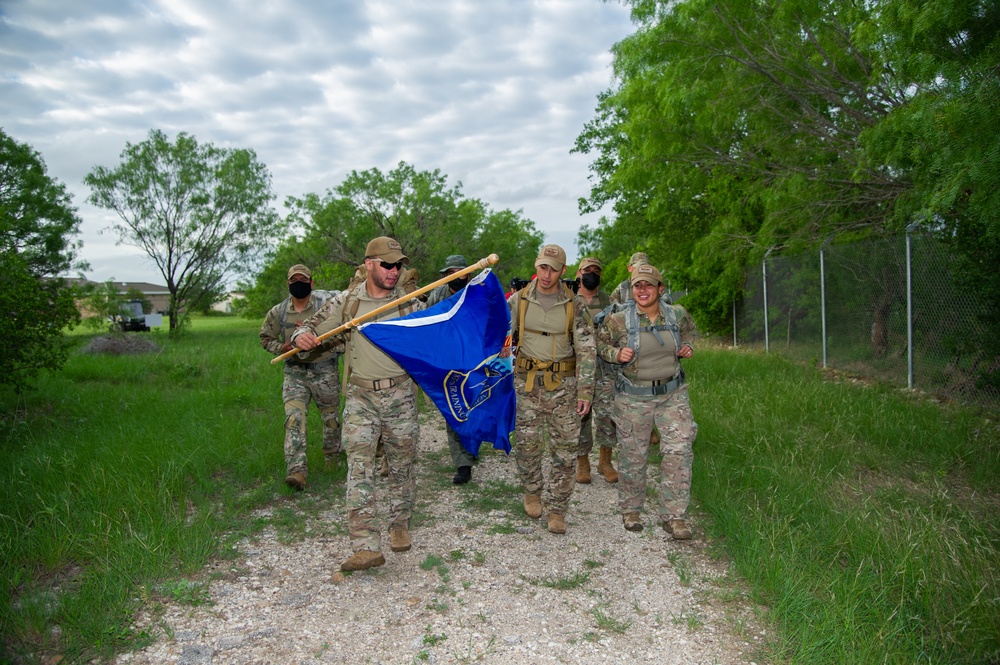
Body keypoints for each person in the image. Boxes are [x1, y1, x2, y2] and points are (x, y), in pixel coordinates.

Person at [292, 237, 424, 571]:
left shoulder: (410, 304)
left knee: (401, 464)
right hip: (361, 396)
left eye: (398, 265)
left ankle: (399, 523)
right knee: (360, 466)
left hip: (400, 396)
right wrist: (301, 338)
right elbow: (308, 327)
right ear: (369, 264)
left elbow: (439, 335)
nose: (394, 272)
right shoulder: (345, 303)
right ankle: (366, 543)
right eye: (387, 265)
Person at [597, 264, 698, 539]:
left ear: (660, 289)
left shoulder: (676, 314)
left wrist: (688, 346)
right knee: (633, 455)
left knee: (679, 452)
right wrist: (616, 354)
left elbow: (690, 332)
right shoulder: (619, 320)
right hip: (633, 396)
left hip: (672, 395)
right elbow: (600, 344)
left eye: (649, 285)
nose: (643, 290)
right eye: (638, 285)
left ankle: (675, 517)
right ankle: (631, 511)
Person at [508, 244, 596, 535]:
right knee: (528, 444)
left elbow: (586, 350)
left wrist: (585, 392)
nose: (547, 275)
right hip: (527, 384)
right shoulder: (518, 300)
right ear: (536, 265)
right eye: (543, 267)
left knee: (565, 451)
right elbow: (500, 338)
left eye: (553, 269)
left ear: (563, 271)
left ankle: (557, 508)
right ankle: (532, 491)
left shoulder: (575, 304)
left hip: (564, 388)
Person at [259, 264, 342, 491]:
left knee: (330, 420)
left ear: (312, 283)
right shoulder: (279, 312)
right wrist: (282, 347)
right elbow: (265, 338)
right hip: (295, 371)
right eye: (294, 280)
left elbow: (341, 325)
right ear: (288, 284)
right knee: (294, 420)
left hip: (324, 369)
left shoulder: (325, 305)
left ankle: (332, 459)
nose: (299, 283)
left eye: (303, 280)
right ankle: (297, 472)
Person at [426, 254, 478, 484]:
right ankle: (463, 463)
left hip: (474, 360)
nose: (455, 276)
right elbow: (425, 323)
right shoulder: (437, 294)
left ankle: (472, 447)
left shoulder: (479, 292)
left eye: (459, 271)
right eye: (450, 273)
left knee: (475, 408)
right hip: (447, 362)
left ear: (469, 273)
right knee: (454, 409)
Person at [573, 257, 618, 485]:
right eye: (587, 270)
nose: (592, 274)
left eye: (596, 271)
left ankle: (605, 461)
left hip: (604, 368)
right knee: (581, 416)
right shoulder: (569, 299)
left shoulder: (609, 301)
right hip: (578, 368)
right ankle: (583, 463)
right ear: (578, 273)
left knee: (607, 416)